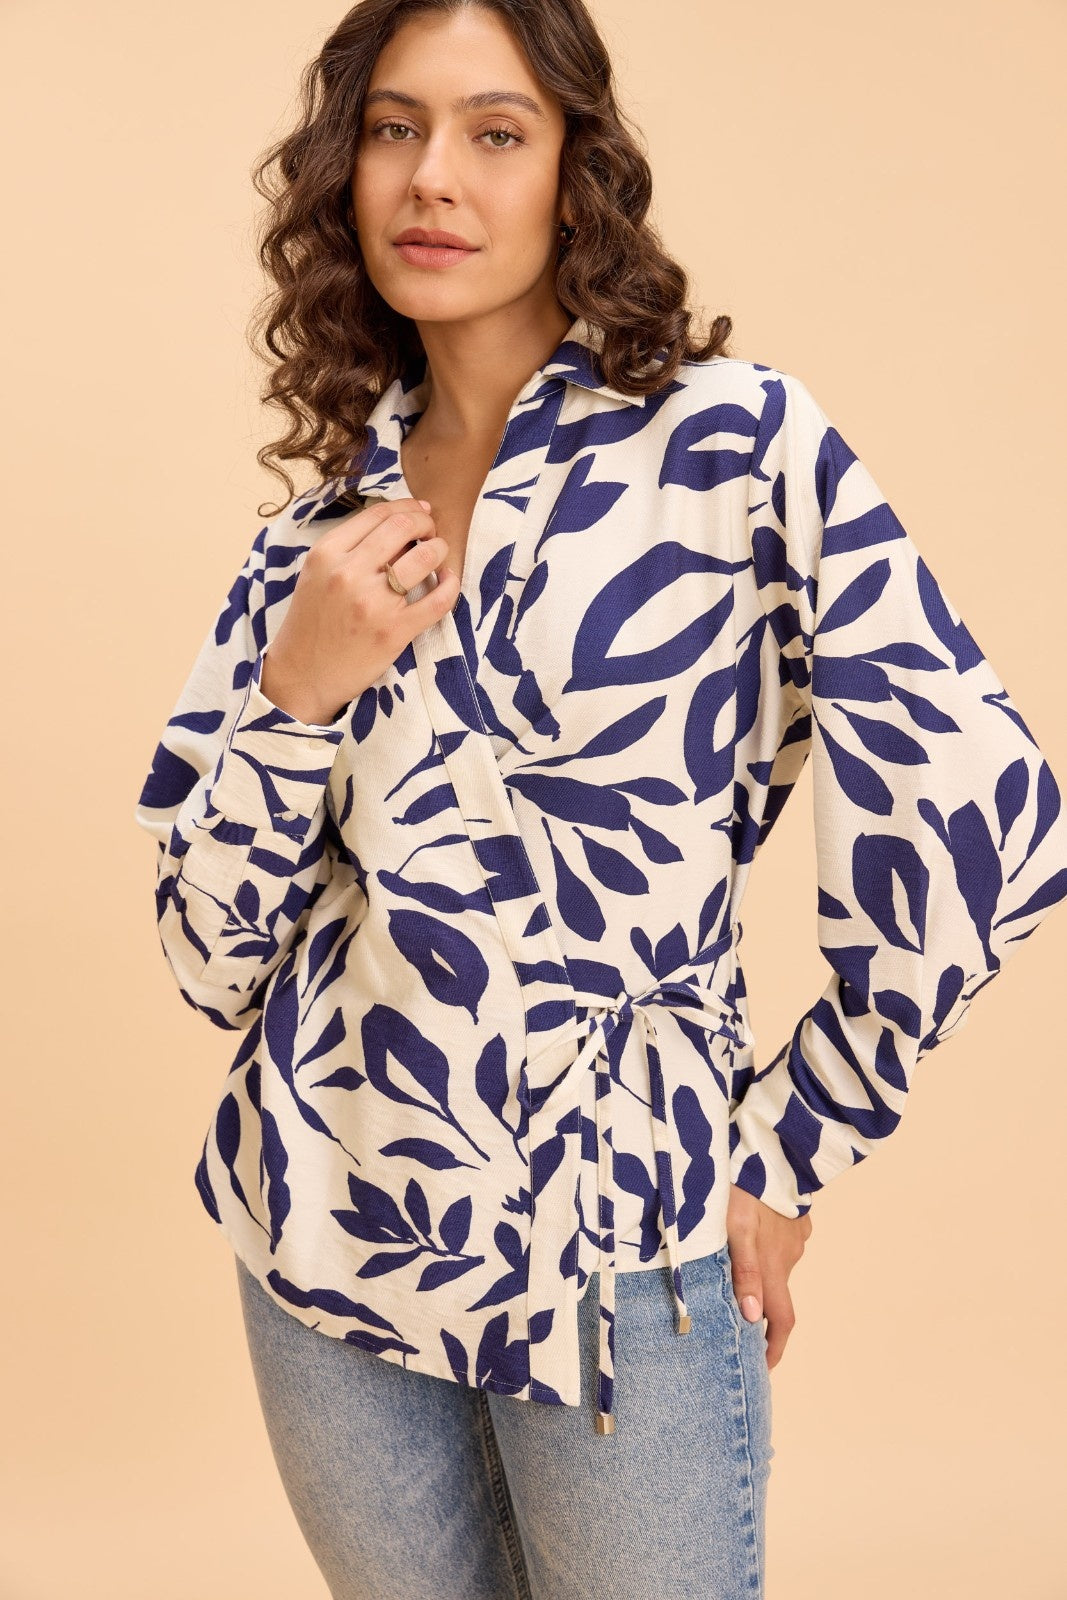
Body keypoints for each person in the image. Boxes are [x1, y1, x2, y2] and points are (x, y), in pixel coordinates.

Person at [132, 2, 1067, 1597]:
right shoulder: (316, 536)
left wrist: (791, 1139)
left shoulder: (734, 448)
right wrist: (299, 691)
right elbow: (211, 955)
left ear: (576, 175)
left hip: (626, 1252)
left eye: (495, 132)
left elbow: (980, 806)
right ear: (344, 170)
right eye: (392, 128)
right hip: (324, 1234)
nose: (433, 176)